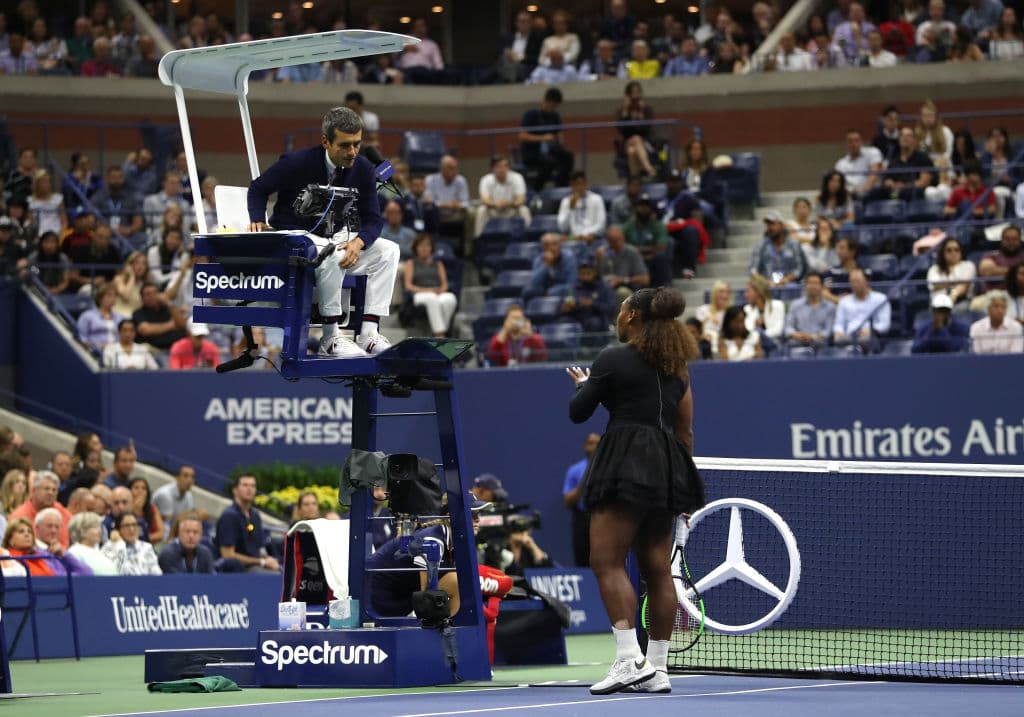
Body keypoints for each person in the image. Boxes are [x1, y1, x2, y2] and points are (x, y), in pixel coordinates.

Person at [567, 286, 704, 695]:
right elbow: (685, 431)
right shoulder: (678, 367)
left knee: (605, 561)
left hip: (626, 458)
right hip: (669, 464)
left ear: (631, 317)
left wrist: (585, 384)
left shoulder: (612, 358)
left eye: (621, 309)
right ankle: (657, 669)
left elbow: (578, 413)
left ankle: (629, 660)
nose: (617, 316)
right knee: (658, 571)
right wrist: (682, 483)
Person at [247, 106, 399, 358]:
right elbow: (258, 188)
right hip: (294, 238)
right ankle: (330, 338)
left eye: (357, 144)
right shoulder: (296, 162)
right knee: (333, 254)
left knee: (388, 251)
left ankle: (369, 334)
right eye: (345, 145)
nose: (352, 152)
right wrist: (255, 219)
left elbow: (373, 219)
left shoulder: (362, 168)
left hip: (334, 239)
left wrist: (359, 242)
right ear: (325, 141)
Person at [365, 494, 490, 620]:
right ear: (451, 518)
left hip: (400, 593)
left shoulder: (452, 540)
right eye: (472, 515)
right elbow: (428, 596)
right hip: (378, 597)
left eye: (478, 515)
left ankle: (454, 631)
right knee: (456, 582)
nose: (478, 520)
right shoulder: (432, 541)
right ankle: (449, 634)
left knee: (461, 582)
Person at [215, 474, 280, 573]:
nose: (249, 489)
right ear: (235, 490)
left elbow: (258, 550)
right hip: (237, 570)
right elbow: (228, 555)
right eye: (245, 485)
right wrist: (261, 562)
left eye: (253, 486)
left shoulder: (255, 515)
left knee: (284, 573)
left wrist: (268, 560)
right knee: (272, 576)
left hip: (256, 565)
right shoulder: (229, 516)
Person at [402, 234, 457, 338]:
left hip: (437, 293)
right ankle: (440, 335)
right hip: (418, 294)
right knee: (431, 298)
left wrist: (440, 290)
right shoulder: (410, 263)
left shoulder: (439, 264)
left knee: (450, 299)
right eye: (421, 246)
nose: (424, 248)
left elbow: (444, 284)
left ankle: (438, 332)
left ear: (431, 248)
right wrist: (427, 290)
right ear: (416, 248)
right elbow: (408, 285)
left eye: (427, 245)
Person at [519, 88, 574, 191]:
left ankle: (562, 187)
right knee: (550, 162)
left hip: (551, 151)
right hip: (532, 152)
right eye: (552, 105)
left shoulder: (555, 116)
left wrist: (561, 147)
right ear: (545, 101)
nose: (553, 108)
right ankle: (536, 190)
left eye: (555, 106)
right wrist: (542, 138)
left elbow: (559, 134)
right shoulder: (531, 115)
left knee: (568, 156)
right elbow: (522, 136)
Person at [562, 432, 601, 568]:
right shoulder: (575, 470)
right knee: (582, 560)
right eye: (590, 443)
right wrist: (584, 482)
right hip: (582, 519)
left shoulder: (609, 468)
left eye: (597, 443)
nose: (593, 447)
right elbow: (567, 501)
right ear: (585, 446)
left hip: (602, 518)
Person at [9, 470, 73, 550]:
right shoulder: (19, 516)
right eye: (46, 489)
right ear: (34, 490)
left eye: (54, 490)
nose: (50, 493)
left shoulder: (63, 512)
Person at [474, 155, 530, 238]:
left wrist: (509, 203)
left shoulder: (517, 178)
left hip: (511, 209)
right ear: (493, 168)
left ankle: (528, 236)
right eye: (499, 166)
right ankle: (478, 238)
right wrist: (496, 204)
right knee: (481, 210)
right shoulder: (486, 179)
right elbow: (484, 199)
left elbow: (521, 199)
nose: (502, 169)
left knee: (524, 210)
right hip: (494, 210)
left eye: (505, 166)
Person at [833, 269, 892, 346]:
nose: (855, 284)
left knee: (866, 341)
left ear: (866, 281)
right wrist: (839, 332)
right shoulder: (844, 301)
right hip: (849, 336)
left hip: (871, 336)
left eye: (858, 281)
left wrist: (872, 330)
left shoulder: (880, 299)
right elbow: (839, 324)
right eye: (852, 282)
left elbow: (885, 324)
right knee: (838, 340)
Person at [749, 210, 806, 286]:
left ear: (782, 225)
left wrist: (785, 281)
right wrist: (764, 283)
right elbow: (753, 270)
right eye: (768, 225)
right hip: (767, 285)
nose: (770, 227)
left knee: (792, 287)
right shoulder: (760, 246)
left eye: (773, 224)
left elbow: (799, 269)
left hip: (789, 284)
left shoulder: (794, 244)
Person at [595, 224, 650, 303]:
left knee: (622, 292)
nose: (618, 243)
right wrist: (598, 260)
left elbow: (645, 279)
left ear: (623, 238)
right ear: (608, 241)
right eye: (613, 241)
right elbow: (597, 276)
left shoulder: (632, 252)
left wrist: (622, 280)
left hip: (627, 288)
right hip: (605, 287)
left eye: (620, 239)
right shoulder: (602, 252)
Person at [615, 81, 657, 179]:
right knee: (635, 140)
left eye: (638, 92)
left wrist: (641, 116)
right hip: (626, 143)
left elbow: (646, 130)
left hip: (644, 144)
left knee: (632, 151)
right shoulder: (622, 111)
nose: (635, 96)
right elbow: (622, 131)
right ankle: (649, 169)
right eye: (633, 93)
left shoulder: (646, 110)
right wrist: (625, 113)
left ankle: (635, 179)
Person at [562, 258, 616, 333]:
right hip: (578, 317)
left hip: (598, 318)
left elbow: (610, 309)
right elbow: (566, 306)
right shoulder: (574, 287)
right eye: (582, 274)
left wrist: (593, 303)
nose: (585, 277)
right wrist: (566, 308)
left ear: (595, 272)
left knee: (593, 323)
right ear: (578, 274)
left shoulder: (604, 287)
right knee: (563, 321)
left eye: (588, 273)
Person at [152, 465, 207, 536]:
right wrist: (195, 514)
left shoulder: (188, 495)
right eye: (185, 476)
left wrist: (197, 515)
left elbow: (186, 519)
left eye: (192, 477)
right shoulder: (165, 495)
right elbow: (167, 525)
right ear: (177, 478)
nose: (189, 480)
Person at [784, 273, 836, 348]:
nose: (812, 286)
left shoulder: (830, 307)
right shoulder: (795, 305)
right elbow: (788, 328)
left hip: (820, 343)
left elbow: (828, 331)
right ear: (805, 285)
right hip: (799, 342)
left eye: (815, 283)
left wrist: (812, 337)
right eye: (809, 283)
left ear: (822, 286)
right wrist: (796, 334)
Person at [524, 233, 578, 303]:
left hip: (563, 295)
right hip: (544, 293)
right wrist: (546, 265)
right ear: (543, 247)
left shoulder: (569, 258)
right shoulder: (539, 259)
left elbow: (571, 285)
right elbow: (534, 284)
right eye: (547, 245)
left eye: (554, 244)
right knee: (528, 291)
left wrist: (551, 292)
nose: (551, 248)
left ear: (560, 246)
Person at [557, 171, 607, 245]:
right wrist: (570, 208)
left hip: (593, 238)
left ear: (586, 183)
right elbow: (562, 228)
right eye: (575, 184)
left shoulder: (597, 199)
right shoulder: (566, 201)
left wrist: (585, 234)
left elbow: (601, 225)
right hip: (573, 239)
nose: (579, 187)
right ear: (571, 185)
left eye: (581, 183)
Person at [927, 236, 977, 305]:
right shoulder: (934, 269)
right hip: (938, 304)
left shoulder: (968, 265)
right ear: (943, 252)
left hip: (962, 302)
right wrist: (957, 282)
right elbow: (935, 285)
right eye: (949, 250)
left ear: (961, 252)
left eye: (956, 250)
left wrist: (953, 294)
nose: (953, 253)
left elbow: (965, 284)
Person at [835, 130, 883, 199]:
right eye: (850, 141)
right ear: (846, 144)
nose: (854, 144)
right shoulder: (840, 164)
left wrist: (864, 189)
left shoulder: (873, 152)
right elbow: (839, 184)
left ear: (861, 141)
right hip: (850, 196)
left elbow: (875, 174)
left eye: (856, 140)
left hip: (871, 194)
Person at [743, 275, 786, 342]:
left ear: (758, 291)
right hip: (755, 345)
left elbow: (778, 330)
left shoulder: (778, 305)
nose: (745, 295)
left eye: (748, 291)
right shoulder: (747, 309)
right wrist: (755, 326)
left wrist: (760, 334)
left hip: (774, 344)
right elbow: (747, 331)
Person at [129, 476, 164, 545]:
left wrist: (144, 539)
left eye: (144, 488)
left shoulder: (152, 508)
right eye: (136, 488)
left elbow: (161, 534)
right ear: (129, 490)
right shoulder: (125, 508)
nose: (140, 491)